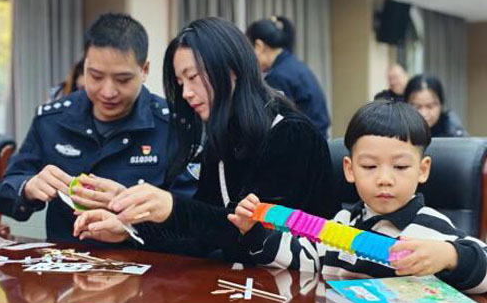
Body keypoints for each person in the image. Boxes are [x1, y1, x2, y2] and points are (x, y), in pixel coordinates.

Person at [73, 17, 336, 262]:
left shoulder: (291, 135)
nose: (186, 93)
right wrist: (129, 229)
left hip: (304, 285)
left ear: (232, 68)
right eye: (180, 82)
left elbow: (250, 233)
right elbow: (202, 235)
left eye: (193, 77)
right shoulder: (223, 136)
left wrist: (172, 207)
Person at [233, 100, 487, 293]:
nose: (384, 178)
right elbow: (304, 258)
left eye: (400, 167)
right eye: (369, 166)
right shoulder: (343, 221)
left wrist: (450, 256)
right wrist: (254, 231)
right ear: (349, 169)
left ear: (423, 170)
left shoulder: (430, 228)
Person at [0, 13, 199, 251]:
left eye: (122, 79)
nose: (107, 91)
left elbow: (193, 221)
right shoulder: (52, 120)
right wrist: (28, 187)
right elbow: (6, 195)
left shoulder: (174, 126)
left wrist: (132, 221)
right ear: (84, 67)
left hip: (147, 265)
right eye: (96, 76)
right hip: (66, 263)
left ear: (144, 70)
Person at [245, 16, 330, 138]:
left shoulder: (277, 77)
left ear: (259, 46)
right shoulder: (293, 65)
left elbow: (278, 127)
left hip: (304, 143)